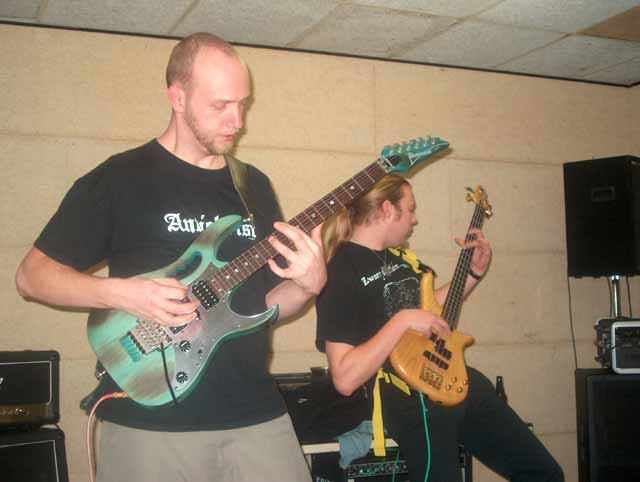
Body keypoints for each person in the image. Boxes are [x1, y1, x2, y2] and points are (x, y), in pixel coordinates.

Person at [15, 33, 326, 482]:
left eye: (243, 104)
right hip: (150, 420)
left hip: (256, 414)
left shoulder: (253, 185)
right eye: (221, 105)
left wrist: (307, 284)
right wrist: (121, 294)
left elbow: (266, 306)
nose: (237, 121)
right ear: (177, 97)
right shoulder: (119, 178)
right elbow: (32, 276)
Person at [315, 174, 564, 482]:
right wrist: (403, 320)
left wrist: (472, 273)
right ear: (387, 209)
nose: (414, 219)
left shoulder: (401, 259)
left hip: (455, 378)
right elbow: (344, 378)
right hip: (409, 396)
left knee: (544, 473)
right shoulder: (340, 270)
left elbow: (431, 312)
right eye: (410, 209)